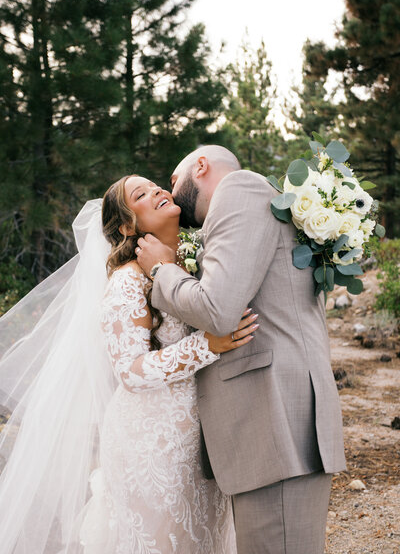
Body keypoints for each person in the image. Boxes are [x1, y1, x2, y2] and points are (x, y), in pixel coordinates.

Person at [0, 175, 257, 553]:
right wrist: (208, 345)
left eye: (156, 185)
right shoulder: (127, 281)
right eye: (141, 193)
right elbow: (131, 371)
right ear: (126, 227)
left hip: (200, 440)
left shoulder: (192, 264)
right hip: (151, 443)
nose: (157, 190)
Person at [136, 145, 347, 554]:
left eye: (172, 181)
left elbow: (217, 310)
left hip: (275, 422)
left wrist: (162, 271)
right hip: (271, 425)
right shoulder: (258, 201)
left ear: (200, 166)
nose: (169, 191)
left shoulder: (240, 190)